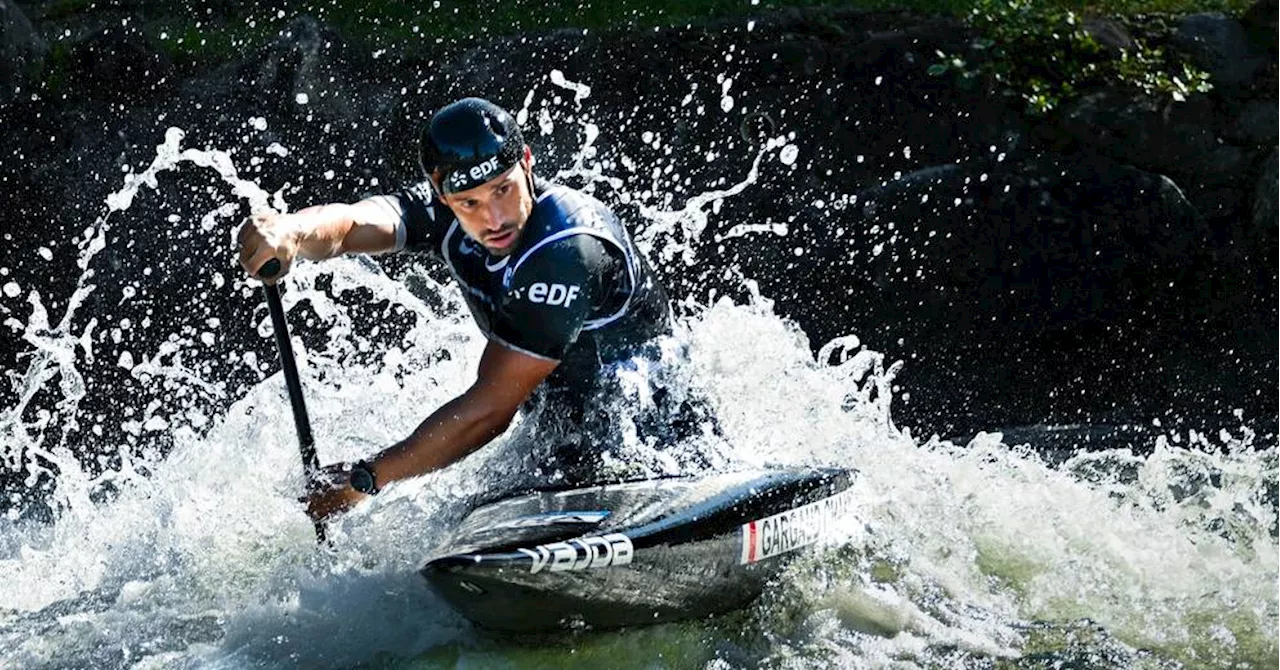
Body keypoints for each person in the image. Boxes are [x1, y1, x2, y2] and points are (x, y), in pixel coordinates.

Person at [237, 97, 718, 522]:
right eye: (468, 203)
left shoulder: (566, 248)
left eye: (503, 190)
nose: (493, 218)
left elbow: (489, 412)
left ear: (527, 163)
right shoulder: (445, 212)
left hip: (660, 446)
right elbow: (354, 223)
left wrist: (365, 479)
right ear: (444, 197)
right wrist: (292, 232)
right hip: (560, 442)